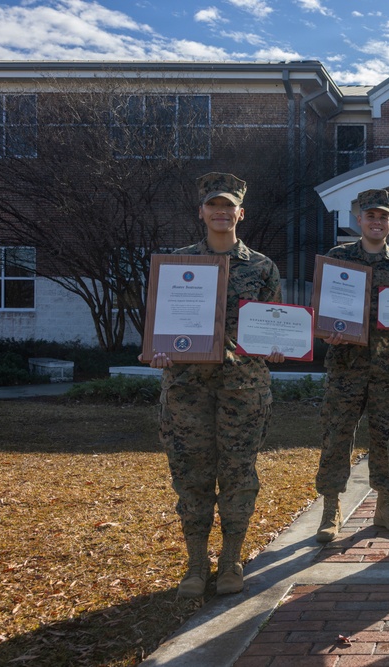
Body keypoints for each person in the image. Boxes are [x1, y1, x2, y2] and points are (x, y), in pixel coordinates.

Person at [142, 172, 284, 598]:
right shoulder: (177, 265)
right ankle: (195, 564)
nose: (221, 213)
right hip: (187, 389)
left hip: (243, 388)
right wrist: (158, 351)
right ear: (202, 211)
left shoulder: (261, 267)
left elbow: (273, 322)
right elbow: (159, 326)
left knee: (239, 473)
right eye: (213, 205)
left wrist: (277, 346)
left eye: (229, 206)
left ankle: (231, 560)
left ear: (241, 213)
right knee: (191, 475)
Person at [315, 188, 389, 542]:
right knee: (336, 437)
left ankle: (385, 505)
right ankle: (331, 510)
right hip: (345, 366)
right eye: (370, 215)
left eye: (383, 217)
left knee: (387, 438)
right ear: (359, 219)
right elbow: (322, 311)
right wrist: (325, 333)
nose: (377, 222)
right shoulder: (337, 259)